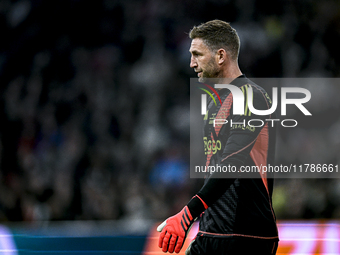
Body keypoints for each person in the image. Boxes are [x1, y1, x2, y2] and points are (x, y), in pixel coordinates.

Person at [157, 20, 279, 255]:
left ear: (221, 56)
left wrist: (187, 213)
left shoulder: (251, 96)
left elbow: (233, 164)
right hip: (211, 232)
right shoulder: (215, 105)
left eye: (197, 55)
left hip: (246, 236)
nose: (191, 63)